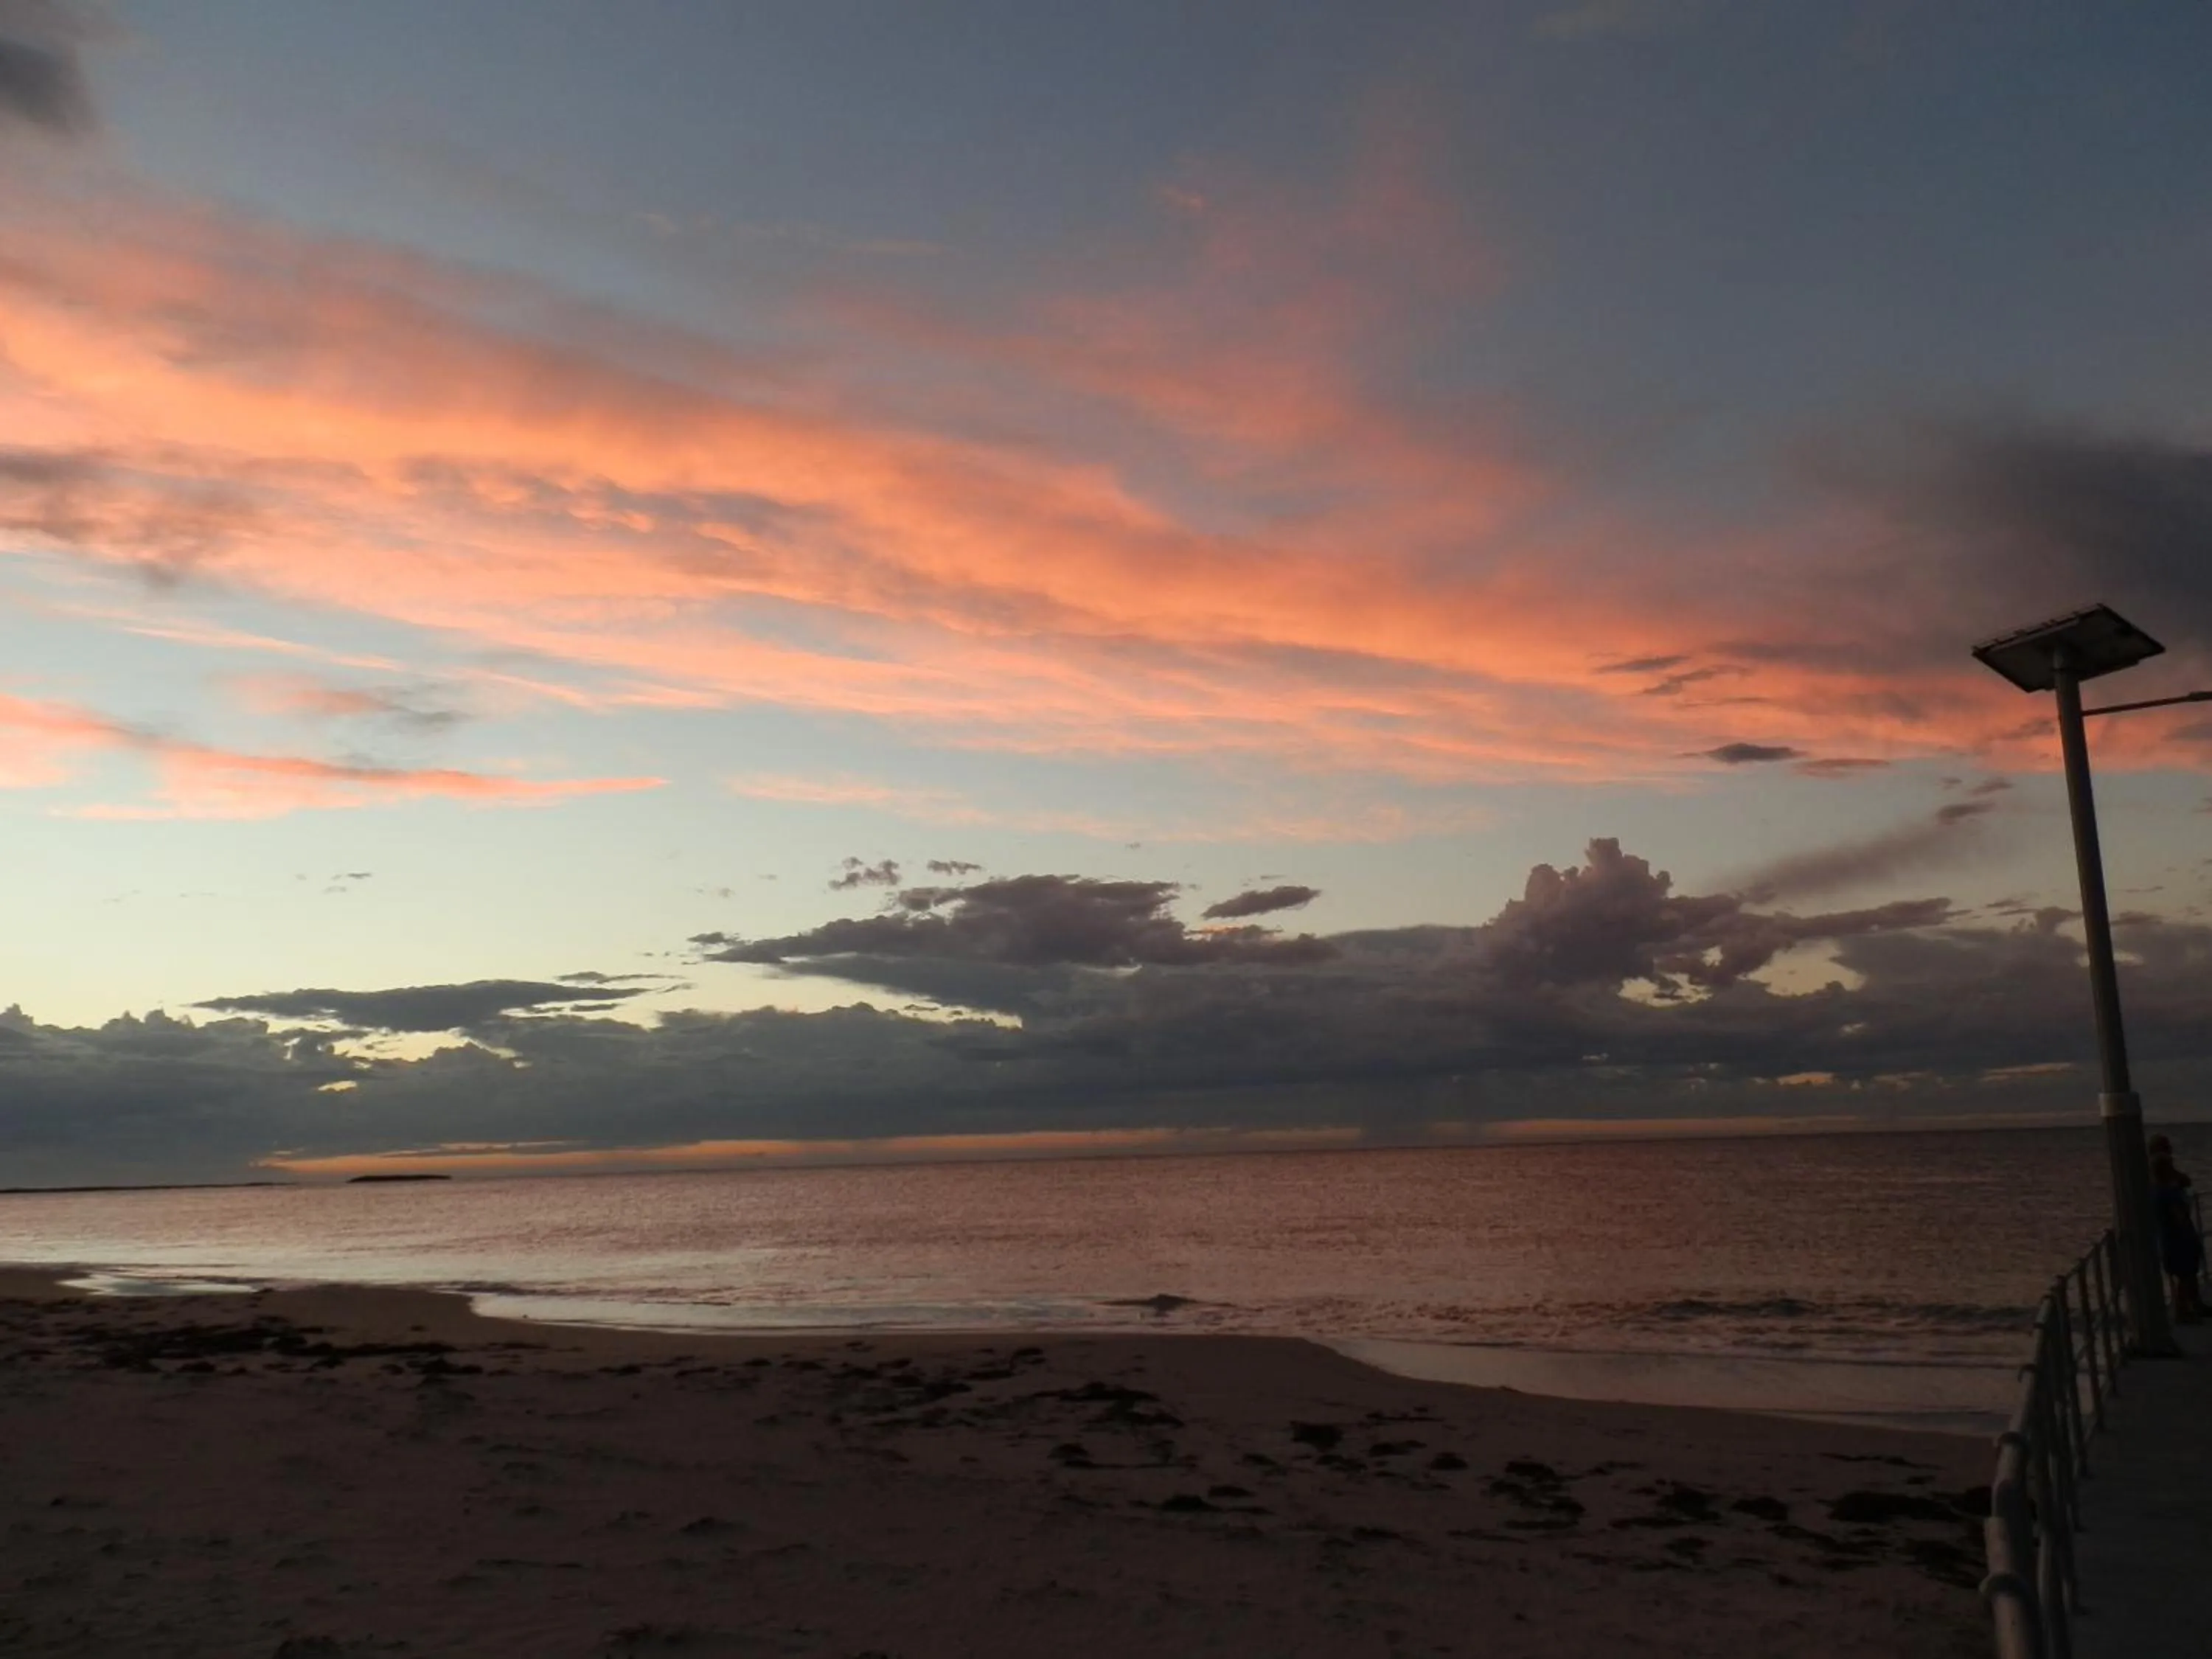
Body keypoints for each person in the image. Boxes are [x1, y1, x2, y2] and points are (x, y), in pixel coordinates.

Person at [2148, 1135, 2205, 1324]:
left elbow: (2185, 1181)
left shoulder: (2160, 1188)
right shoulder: (2165, 1190)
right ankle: (2182, 1312)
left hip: (2169, 1235)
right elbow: (2178, 1216)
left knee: (2188, 1271)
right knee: (2185, 1272)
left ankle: (2192, 1305)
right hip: (2177, 1236)